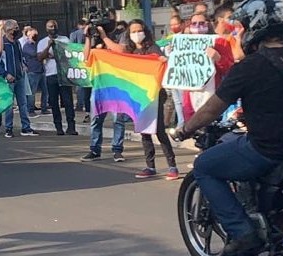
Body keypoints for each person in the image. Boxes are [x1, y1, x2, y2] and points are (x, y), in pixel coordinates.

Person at [176, 0, 283, 256]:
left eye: (243, 26)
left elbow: (213, 108)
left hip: (269, 149)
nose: (241, 31)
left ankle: (243, 232)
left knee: (204, 167)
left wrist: (185, 129)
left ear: (256, 27)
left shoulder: (250, 66)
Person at [97, 20, 179, 179]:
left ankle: (172, 166)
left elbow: (162, 61)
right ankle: (150, 166)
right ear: (129, 34)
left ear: (145, 31)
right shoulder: (130, 50)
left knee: (159, 131)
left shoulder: (152, 48)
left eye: (139, 30)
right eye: (133, 31)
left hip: (155, 96)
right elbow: (115, 51)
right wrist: (103, 36)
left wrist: (163, 61)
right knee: (144, 131)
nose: (136, 34)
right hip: (138, 97)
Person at [80, 19, 127, 161]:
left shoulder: (119, 35)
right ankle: (95, 149)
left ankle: (117, 149)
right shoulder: (94, 39)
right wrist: (88, 37)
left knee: (118, 119)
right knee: (96, 120)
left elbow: (122, 50)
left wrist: (105, 37)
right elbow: (86, 57)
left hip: (116, 85)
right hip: (100, 86)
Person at [0, 20, 37, 138]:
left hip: (19, 77)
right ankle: (8, 128)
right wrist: (5, 74)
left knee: (23, 103)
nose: (16, 30)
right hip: (8, 78)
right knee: (9, 105)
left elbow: (20, 57)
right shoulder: (4, 44)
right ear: (8, 30)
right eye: (14, 28)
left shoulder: (17, 43)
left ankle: (26, 127)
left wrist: (23, 66)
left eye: (17, 28)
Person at [37, 20, 78, 136]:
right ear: (46, 29)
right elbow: (40, 57)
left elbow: (70, 54)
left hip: (64, 74)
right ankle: (58, 127)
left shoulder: (64, 39)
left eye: (54, 26)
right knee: (54, 102)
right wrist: (49, 46)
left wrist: (55, 55)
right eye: (50, 26)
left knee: (68, 101)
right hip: (51, 75)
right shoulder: (42, 42)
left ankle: (71, 126)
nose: (53, 28)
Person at [20, 26, 43, 115]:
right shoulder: (27, 46)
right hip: (32, 70)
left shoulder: (38, 44)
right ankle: (30, 109)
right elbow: (35, 54)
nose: (35, 36)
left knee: (45, 91)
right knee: (32, 92)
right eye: (33, 35)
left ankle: (44, 107)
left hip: (41, 69)